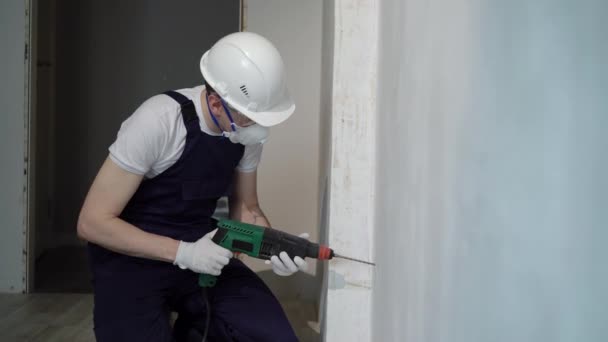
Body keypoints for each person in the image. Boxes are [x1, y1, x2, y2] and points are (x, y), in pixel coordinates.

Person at [77, 31, 306, 342]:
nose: (259, 128)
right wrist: (184, 253)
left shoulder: (242, 133)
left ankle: (190, 330)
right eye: (250, 117)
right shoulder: (159, 120)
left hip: (204, 249)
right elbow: (92, 222)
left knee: (272, 336)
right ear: (214, 102)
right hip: (130, 261)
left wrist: (274, 247)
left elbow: (247, 207)